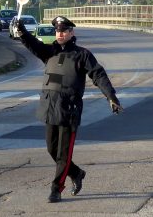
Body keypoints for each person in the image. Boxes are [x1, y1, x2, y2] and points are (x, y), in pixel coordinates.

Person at [15, 15, 123, 203]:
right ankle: (77, 173)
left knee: (63, 155)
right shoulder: (50, 52)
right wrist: (22, 32)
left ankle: (56, 189)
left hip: (69, 110)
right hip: (50, 108)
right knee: (52, 149)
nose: (60, 34)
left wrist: (111, 97)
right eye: (57, 31)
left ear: (71, 32)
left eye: (64, 31)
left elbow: (98, 75)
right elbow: (34, 45)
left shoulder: (82, 55)